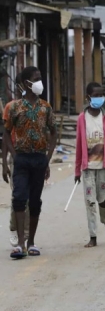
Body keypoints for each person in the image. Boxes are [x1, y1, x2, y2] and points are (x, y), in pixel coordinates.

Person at [4, 66, 57, 259]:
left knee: (35, 201)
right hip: (22, 158)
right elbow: (6, 133)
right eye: (36, 79)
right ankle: (20, 244)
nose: (39, 82)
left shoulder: (46, 107)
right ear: (27, 83)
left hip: (39, 159)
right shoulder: (15, 107)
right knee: (19, 198)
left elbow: (53, 133)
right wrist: (10, 157)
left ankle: (32, 242)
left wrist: (47, 158)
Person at [75, 82, 105, 248]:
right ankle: (93, 236)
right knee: (90, 201)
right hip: (88, 168)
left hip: (103, 167)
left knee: (102, 200)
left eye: (101, 95)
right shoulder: (82, 119)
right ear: (88, 97)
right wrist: (77, 169)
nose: (99, 98)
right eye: (95, 95)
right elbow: (79, 145)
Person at [2, 73, 30, 248]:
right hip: (17, 158)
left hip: (33, 158)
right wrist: (5, 162)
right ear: (21, 86)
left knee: (30, 198)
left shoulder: (38, 108)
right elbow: (5, 136)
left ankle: (25, 235)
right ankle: (16, 229)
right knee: (19, 197)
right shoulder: (10, 107)